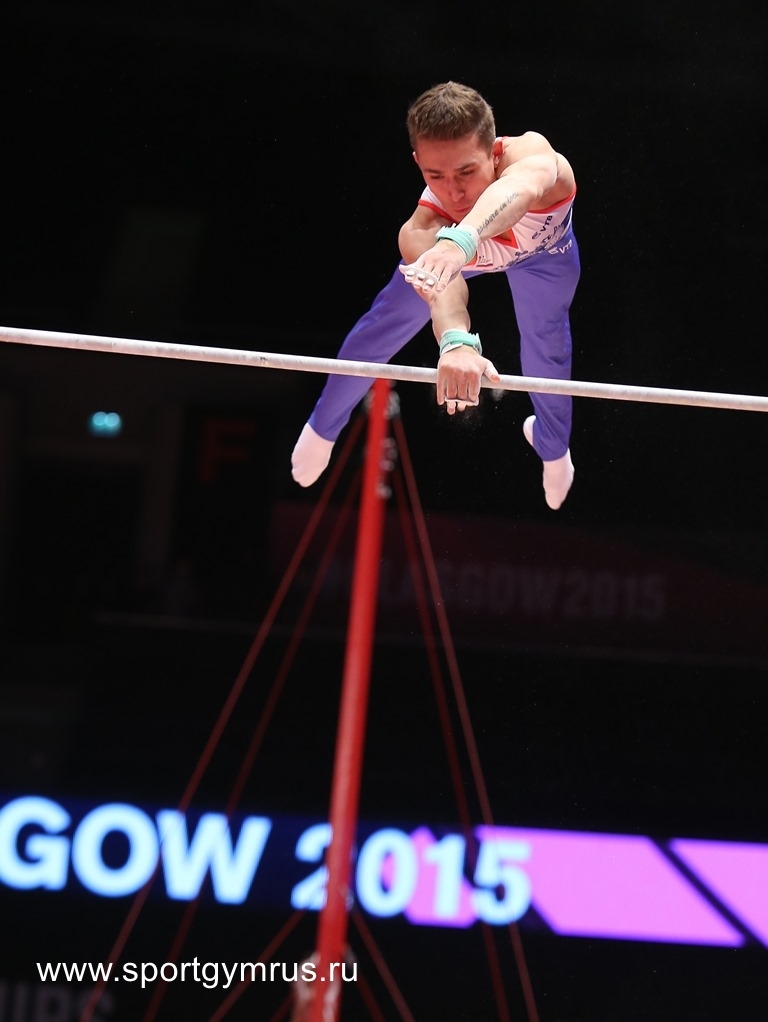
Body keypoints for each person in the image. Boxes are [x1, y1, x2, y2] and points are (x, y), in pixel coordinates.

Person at [291, 81, 579, 510]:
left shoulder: (531, 155)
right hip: (452, 255)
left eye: (466, 172)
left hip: (544, 258)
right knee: (385, 322)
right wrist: (456, 342)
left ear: (494, 152)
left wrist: (461, 240)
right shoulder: (422, 229)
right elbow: (445, 296)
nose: (454, 192)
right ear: (417, 163)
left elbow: (518, 191)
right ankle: (322, 426)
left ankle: (554, 451)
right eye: (435, 176)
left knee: (546, 338)